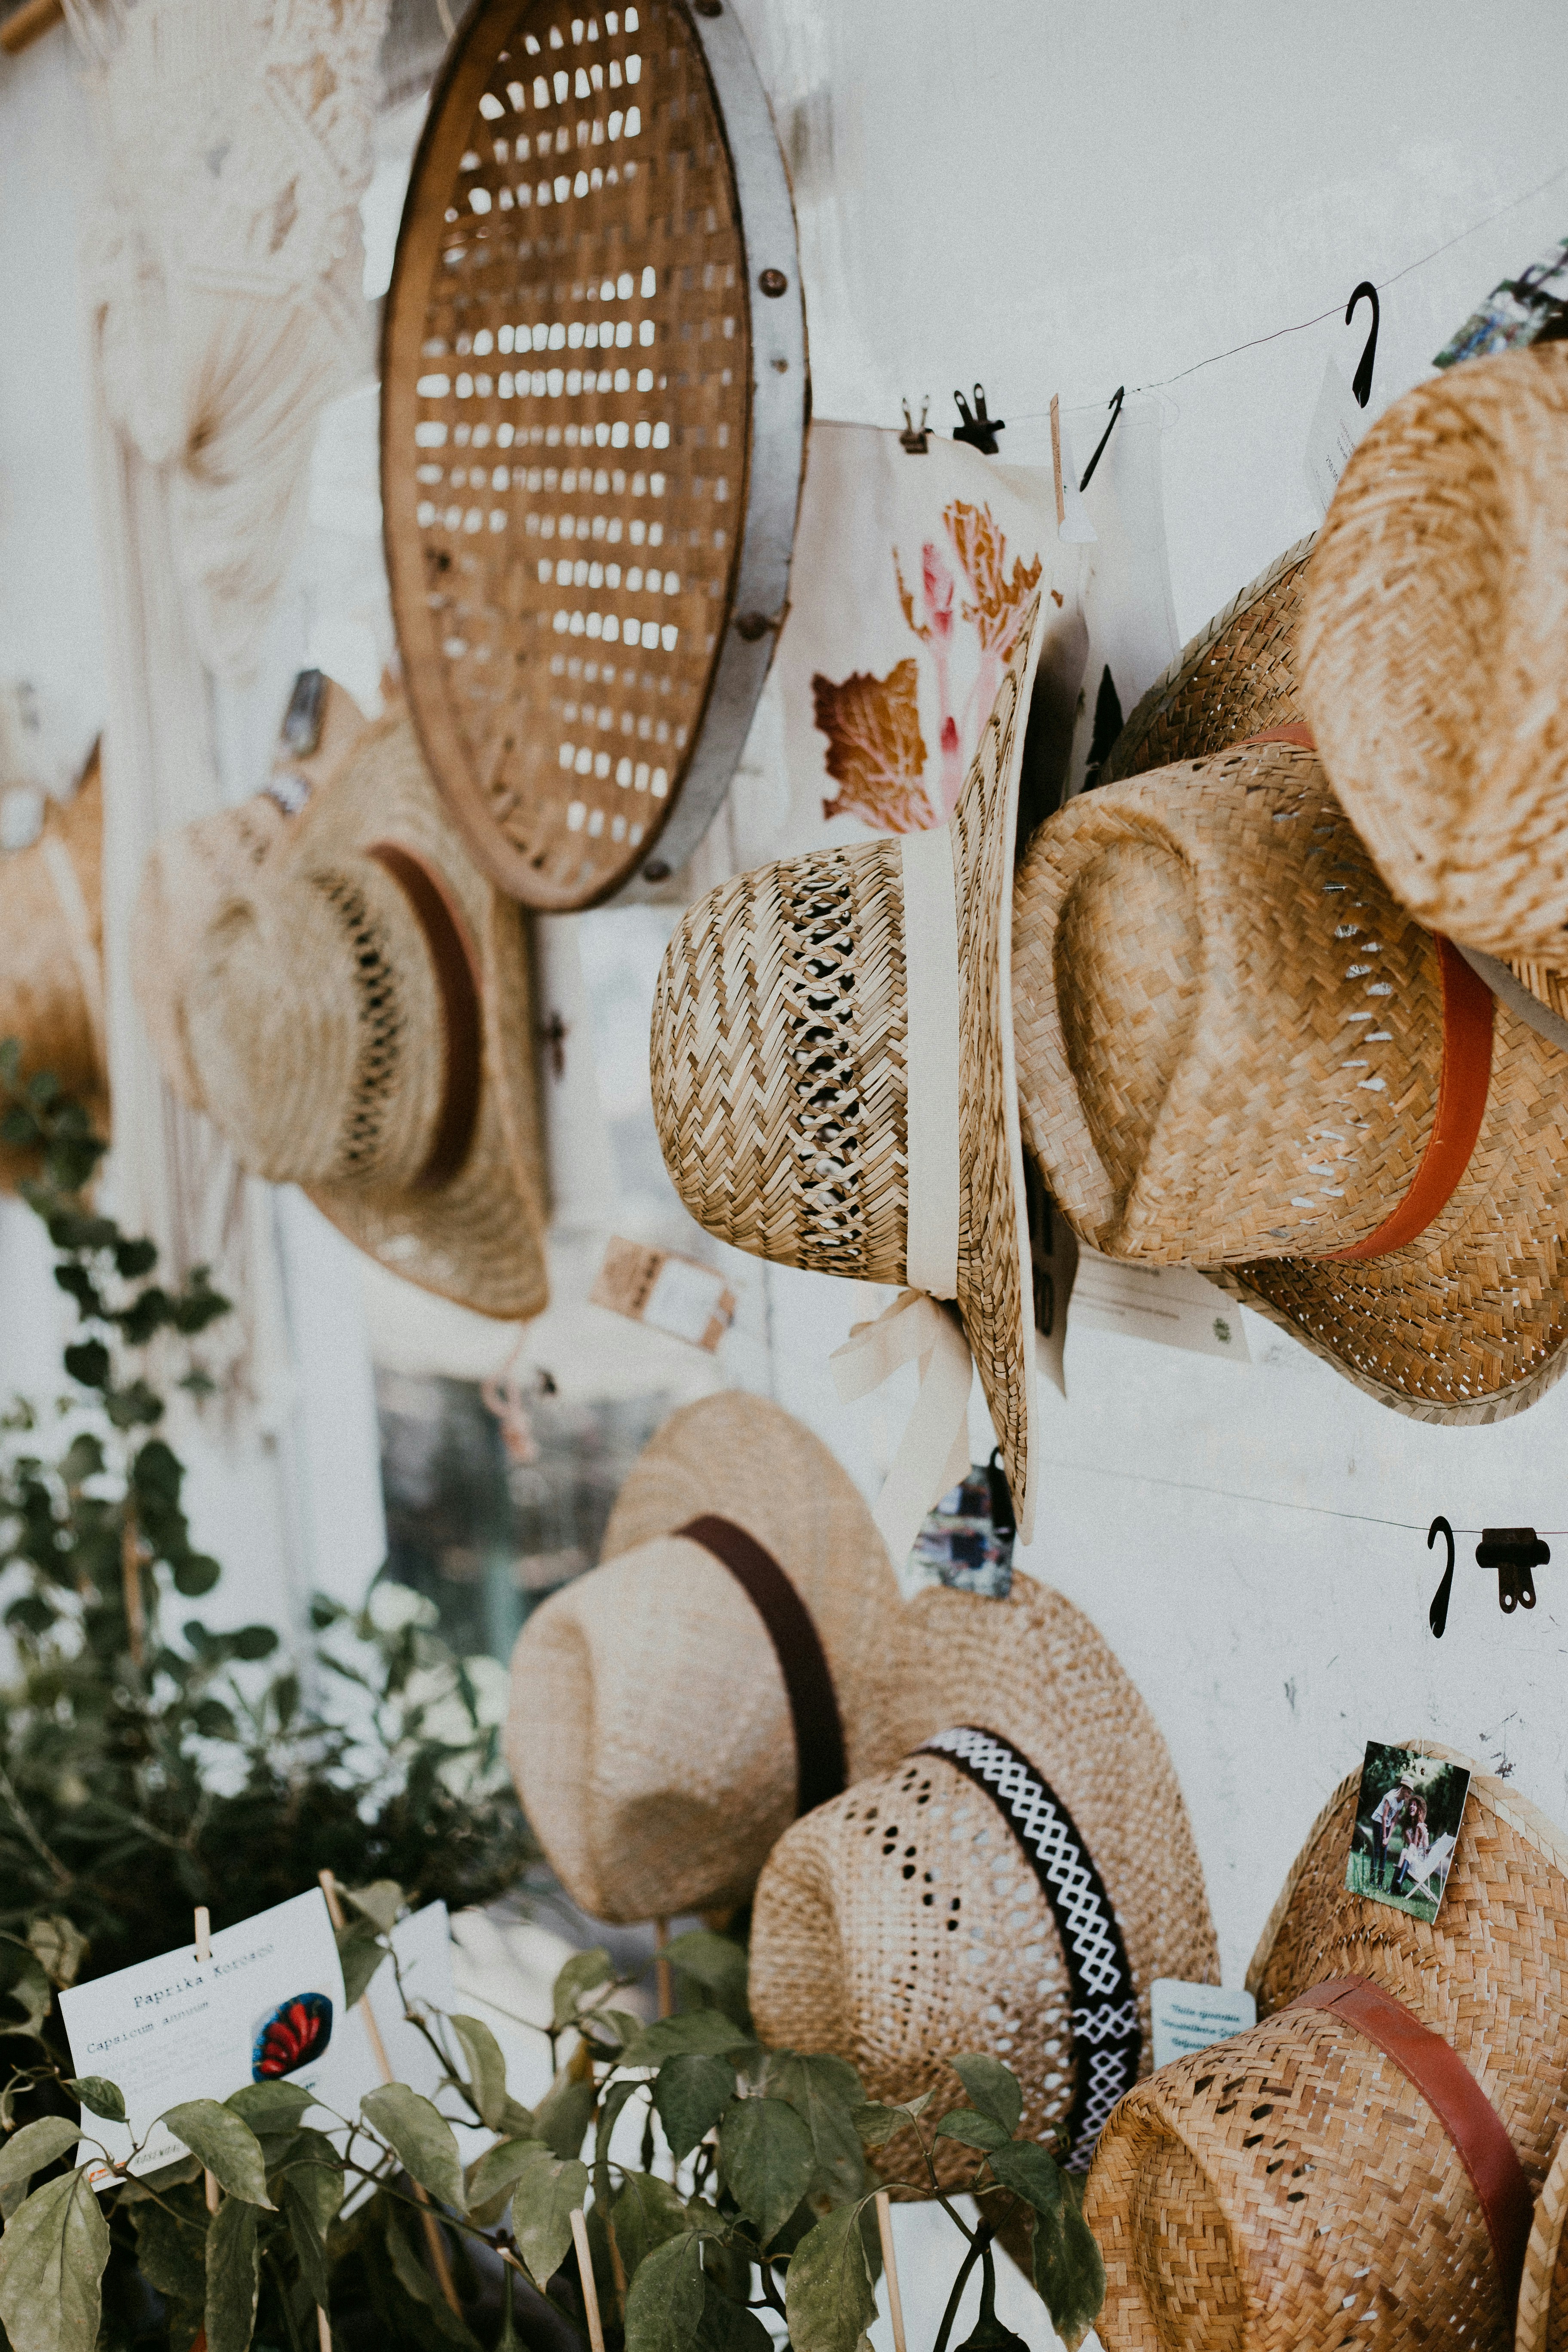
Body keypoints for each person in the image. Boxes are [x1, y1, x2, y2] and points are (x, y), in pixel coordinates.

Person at [1369, 1774, 1412, 1892]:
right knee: (1377, 1850)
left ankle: (1379, 1883)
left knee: (1385, 1852)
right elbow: (1384, 1817)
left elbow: (1393, 1820)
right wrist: (1384, 1836)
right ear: (1403, 1789)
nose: (1409, 1796)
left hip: (1387, 1824)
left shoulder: (1401, 1803)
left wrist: (1388, 1838)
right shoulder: (1390, 1797)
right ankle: (1372, 1880)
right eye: (1409, 1793)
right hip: (1378, 1821)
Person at [1393, 1795, 1430, 1901]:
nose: (1411, 1807)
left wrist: (1420, 1831)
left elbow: (1426, 1850)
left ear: (1419, 1809)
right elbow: (1413, 1847)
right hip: (1409, 1863)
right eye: (1411, 1805)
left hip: (1419, 1866)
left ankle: (1396, 1884)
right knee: (1406, 1850)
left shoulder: (1423, 1829)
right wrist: (1416, 1832)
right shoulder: (1407, 1829)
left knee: (1406, 1851)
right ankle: (1398, 1882)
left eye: (1415, 1805)